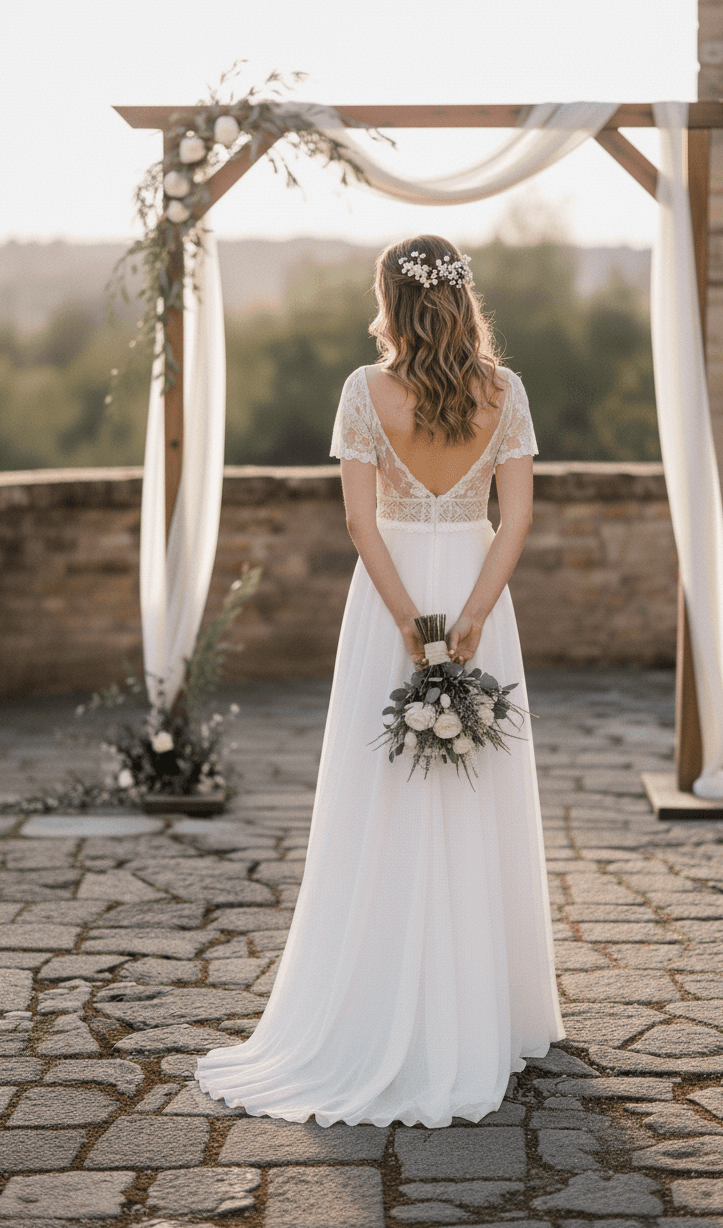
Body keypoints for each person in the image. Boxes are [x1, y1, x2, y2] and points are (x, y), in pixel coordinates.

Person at [195, 234, 564, 1128]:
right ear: (463, 298)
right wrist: (474, 612)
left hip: (391, 592)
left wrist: (407, 621)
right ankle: (489, 1005)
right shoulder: (503, 394)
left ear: (390, 300)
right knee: (478, 783)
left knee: (382, 784)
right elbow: (515, 517)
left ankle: (376, 989)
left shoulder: (366, 392)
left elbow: (361, 523)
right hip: (477, 586)